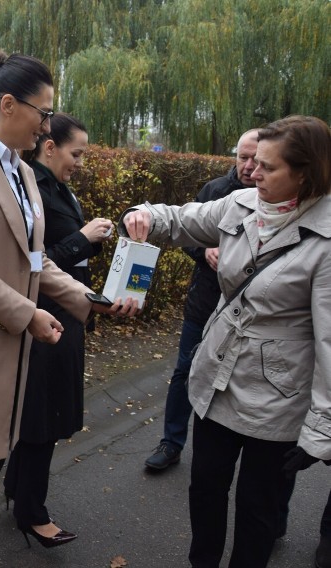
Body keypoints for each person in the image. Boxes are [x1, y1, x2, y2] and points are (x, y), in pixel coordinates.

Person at [0, 51, 137, 567]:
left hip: (6, 344)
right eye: (44, 111)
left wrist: (88, 300)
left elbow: (34, 262)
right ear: (8, 105)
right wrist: (29, 314)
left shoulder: (23, 174)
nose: (48, 123)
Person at [122, 115, 331, 568]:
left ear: (305, 172)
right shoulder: (240, 204)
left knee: (258, 510)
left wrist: (320, 429)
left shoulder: (326, 238)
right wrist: (142, 215)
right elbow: (180, 220)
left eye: (268, 167)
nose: (252, 173)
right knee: (205, 489)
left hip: (277, 399)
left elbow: (330, 343)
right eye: (252, 161)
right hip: (216, 379)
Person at [3, 114, 112, 547]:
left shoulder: (55, 188)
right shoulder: (32, 190)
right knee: (42, 419)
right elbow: (29, 262)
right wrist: (83, 240)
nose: (80, 162)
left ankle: (17, 492)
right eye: (76, 153)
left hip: (67, 312)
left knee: (43, 413)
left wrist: (92, 241)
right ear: (50, 147)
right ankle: (33, 513)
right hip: (44, 316)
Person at [145, 128, 260, 471]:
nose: (249, 166)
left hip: (247, 312)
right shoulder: (216, 190)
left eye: (257, 159)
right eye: (243, 157)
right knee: (185, 369)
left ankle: (227, 451)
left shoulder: (274, 199)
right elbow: (188, 231)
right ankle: (171, 442)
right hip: (205, 300)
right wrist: (204, 249)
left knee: (236, 379)